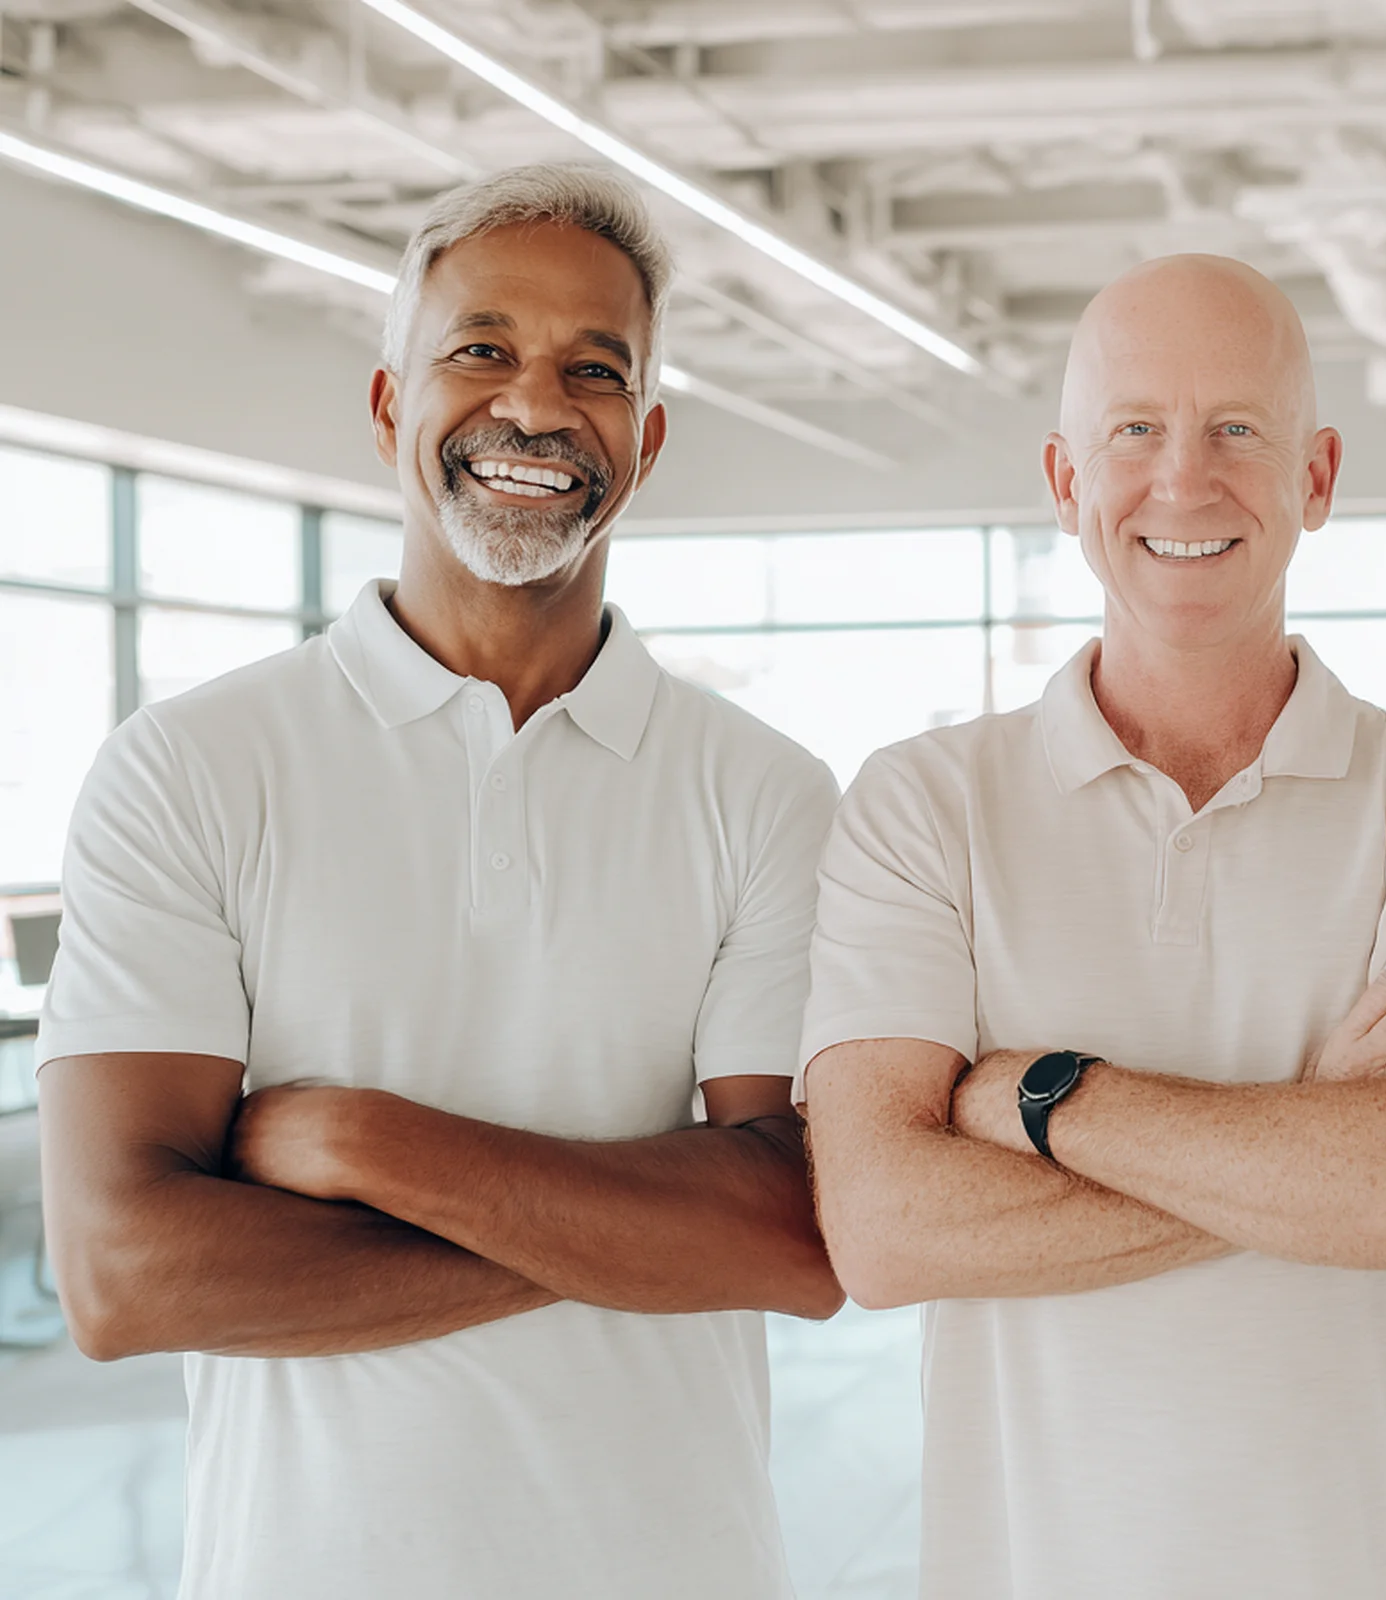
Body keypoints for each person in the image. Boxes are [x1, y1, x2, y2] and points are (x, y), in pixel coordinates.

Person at [37, 164, 843, 1600]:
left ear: (645, 441)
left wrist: (362, 1143)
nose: (535, 407)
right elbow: (124, 1274)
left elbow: (797, 1236)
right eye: (481, 349)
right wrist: (639, 1230)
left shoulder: (766, 794)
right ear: (389, 404)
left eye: (593, 370)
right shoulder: (193, 770)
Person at [801, 253, 1386, 1599]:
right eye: (1135, 431)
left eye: (1236, 430)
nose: (1183, 479)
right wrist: (1327, 1128)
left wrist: (1047, 1101)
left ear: (1318, 475)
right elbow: (882, 1231)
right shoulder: (923, 805)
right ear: (1064, 481)